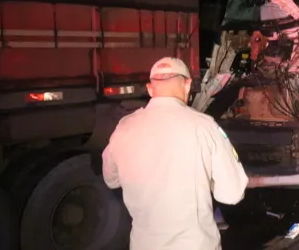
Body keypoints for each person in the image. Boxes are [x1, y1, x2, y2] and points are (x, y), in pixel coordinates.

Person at [102, 57, 248, 250]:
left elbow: (110, 179)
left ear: (150, 89)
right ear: (187, 85)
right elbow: (232, 193)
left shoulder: (124, 128)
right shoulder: (204, 126)